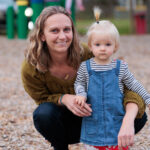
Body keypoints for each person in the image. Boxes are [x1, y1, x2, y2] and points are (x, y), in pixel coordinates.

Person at [21, 6, 147, 150]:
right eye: (54, 30)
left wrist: (127, 122)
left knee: (139, 116)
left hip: (99, 117)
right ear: (42, 35)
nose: (62, 36)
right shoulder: (31, 67)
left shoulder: (89, 53)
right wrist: (64, 98)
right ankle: (60, 147)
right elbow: (41, 98)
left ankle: (108, 143)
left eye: (67, 30)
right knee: (43, 114)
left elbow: (128, 90)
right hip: (66, 125)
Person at [74, 8, 150, 150]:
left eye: (107, 44)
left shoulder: (120, 67)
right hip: (93, 123)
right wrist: (81, 94)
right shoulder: (85, 67)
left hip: (116, 123)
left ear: (115, 47)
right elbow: (79, 83)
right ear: (90, 46)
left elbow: (133, 84)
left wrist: (147, 98)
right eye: (98, 44)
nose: (102, 48)